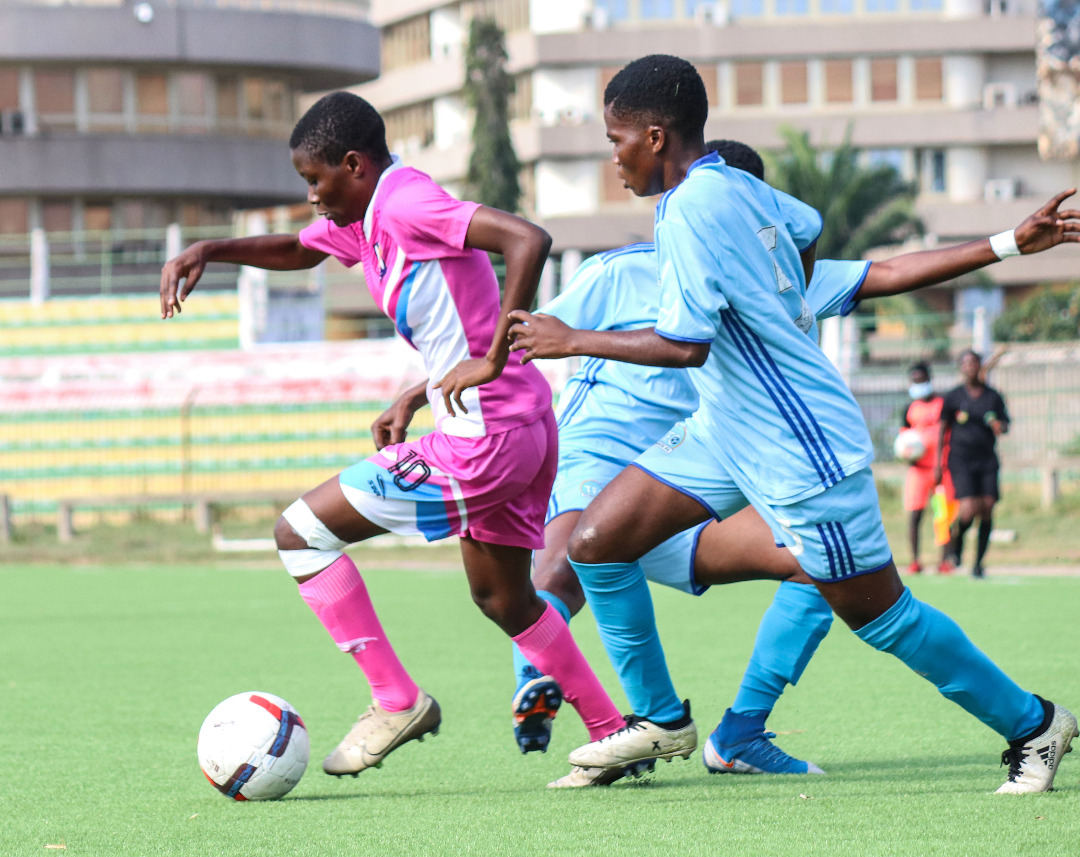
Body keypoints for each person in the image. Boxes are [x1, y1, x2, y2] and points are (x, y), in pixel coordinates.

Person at [507, 55, 1076, 794]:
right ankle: (659, 718)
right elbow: (809, 234)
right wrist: (1000, 243)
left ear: (654, 136)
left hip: (797, 448)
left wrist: (570, 338)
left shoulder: (688, 209)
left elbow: (687, 345)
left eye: (615, 139)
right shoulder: (742, 187)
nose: (611, 156)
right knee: (595, 541)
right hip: (722, 432)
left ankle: (1035, 724)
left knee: (884, 618)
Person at [158, 91, 627, 783]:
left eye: (316, 180)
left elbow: (527, 238)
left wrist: (495, 354)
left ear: (354, 164)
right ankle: (610, 732)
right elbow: (297, 249)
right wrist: (211, 249)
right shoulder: (367, 217)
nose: (312, 197)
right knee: (504, 598)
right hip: (520, 427)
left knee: (299, 533)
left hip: (487, 437)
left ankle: (396, 699)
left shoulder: (405, 203)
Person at [937, 350, 1011, 578]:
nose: (970, 367)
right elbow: (942, 429)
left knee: (987, 508)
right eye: (966, 363)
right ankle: (955, 542)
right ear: (961, 367)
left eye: (974, 363)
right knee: (968, 509)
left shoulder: (993, 396)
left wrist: (1001, 426)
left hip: (987, 459)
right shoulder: (954, 396)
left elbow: (1005, 424)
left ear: (980, 366)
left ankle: (978, 564)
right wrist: (937, 465)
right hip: (961, 459)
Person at [901, 362, 956, 574]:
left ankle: (944, 560)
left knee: (943, 515)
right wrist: (907, 455)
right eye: (915, 381)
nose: (918, 384)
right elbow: (904, 439)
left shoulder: (943, 404)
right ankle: (915, 560)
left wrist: (942, 463)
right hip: (918, 470)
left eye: (921, 380)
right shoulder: (909, 408)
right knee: (915, 515)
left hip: (942, 469)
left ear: (929, 379)